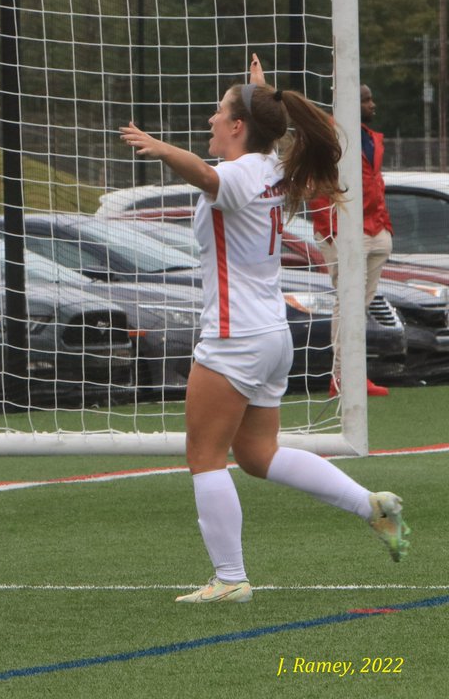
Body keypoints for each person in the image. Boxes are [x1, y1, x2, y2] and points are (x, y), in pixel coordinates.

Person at [119, 55, 411, 604]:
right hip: (271, 334)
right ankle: (370, 505)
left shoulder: (236, 174)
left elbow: (209, 176)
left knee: (204, 457)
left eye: (219, 112)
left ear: (238, 127)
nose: (209, 119)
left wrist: (161, 149)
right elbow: (264, 141)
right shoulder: (273, 165)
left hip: (235, 337)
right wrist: (261, 93)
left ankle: (230, 579)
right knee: (257, 455)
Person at [308, 83, 393, 398]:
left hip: (374, 229)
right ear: (349, 104)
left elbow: (374, 181)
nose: (373, 105)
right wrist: (333, 228)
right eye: (366, 100)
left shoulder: (370, 138)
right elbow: (314, 182)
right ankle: (342, 376)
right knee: (347, 302)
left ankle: (354, 374)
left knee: (360, 305)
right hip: (343, 230)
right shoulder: (327, 135)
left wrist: (383, 225)